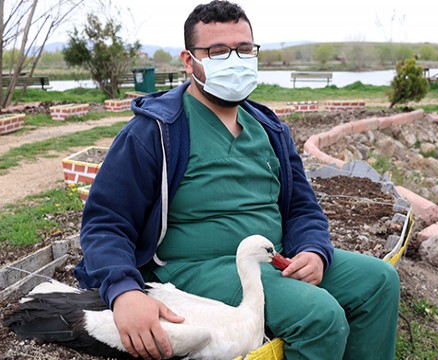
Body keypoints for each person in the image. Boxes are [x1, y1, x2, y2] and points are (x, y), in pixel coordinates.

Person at [74, 1, 400, 359]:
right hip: (198, 268)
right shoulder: (155, 132)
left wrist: (313, 250)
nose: (235, 60)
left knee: (379, 281)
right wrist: (124, 291)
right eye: (217, 51)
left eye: (244, 50)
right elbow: (106, 222)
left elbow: (302, 207)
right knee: (319, 316)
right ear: (189, 61)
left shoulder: (270, 128)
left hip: (272, 258)